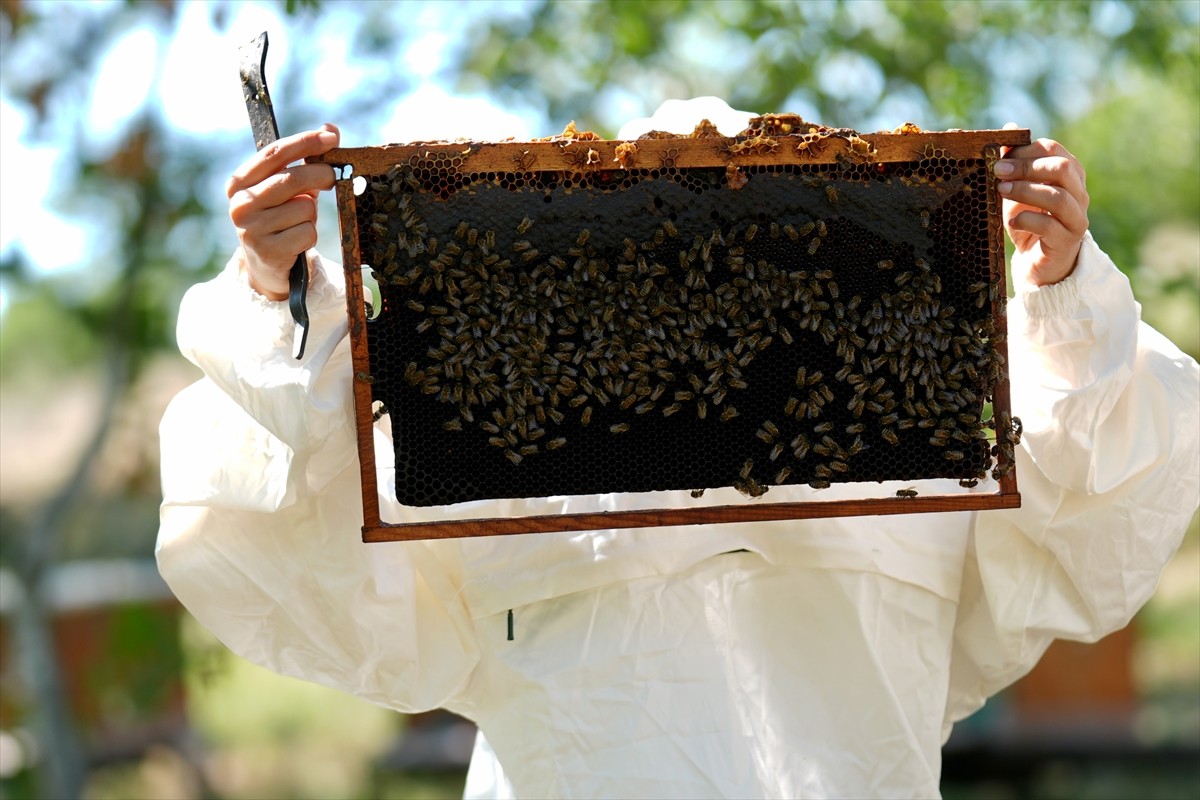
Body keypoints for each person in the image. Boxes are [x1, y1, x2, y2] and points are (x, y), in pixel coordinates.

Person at [156, 98, 1199, 799]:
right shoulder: (501, 428)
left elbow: (1097, 493)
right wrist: (275, 290)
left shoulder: (919, 422)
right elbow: (292, 513)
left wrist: (1061, 293)